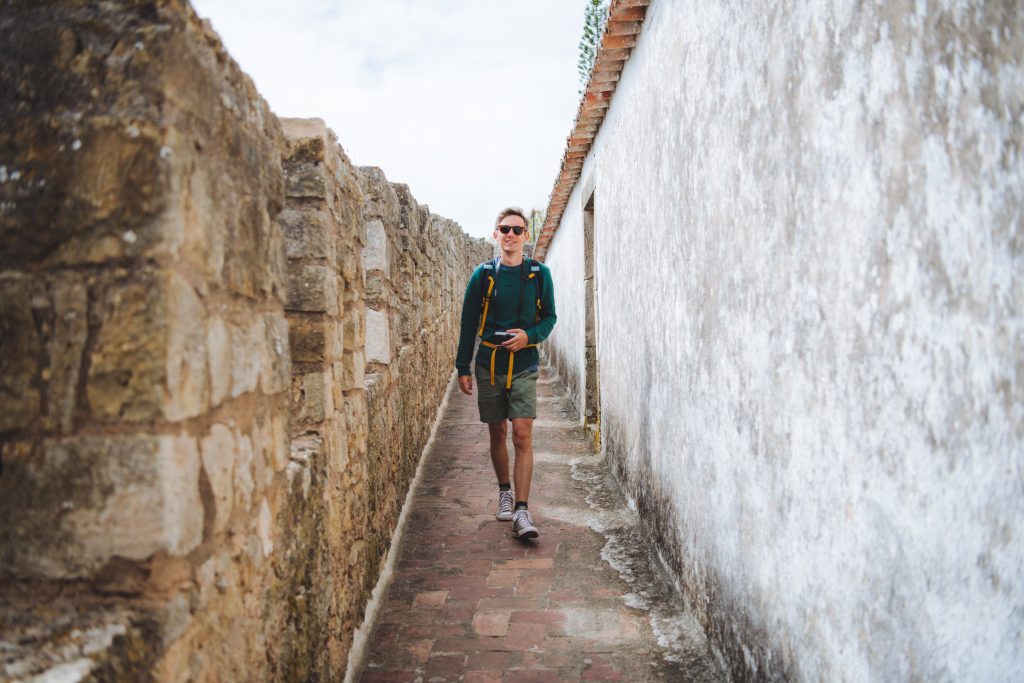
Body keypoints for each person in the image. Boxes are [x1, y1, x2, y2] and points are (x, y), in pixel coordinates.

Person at [455, 207, 557, 539]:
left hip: (525, 364)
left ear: (526, 235)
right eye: (504, 229)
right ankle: (504, 491)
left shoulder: (539, 274)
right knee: (497, 433)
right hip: (490, 364)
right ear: (495, 234)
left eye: (517, 230)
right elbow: (469, 322)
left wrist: (530, 336)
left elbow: (549, 318)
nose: (510, 235)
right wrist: (463, 367)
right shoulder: (483, 275)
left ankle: (522, 511)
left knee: (522, 434)